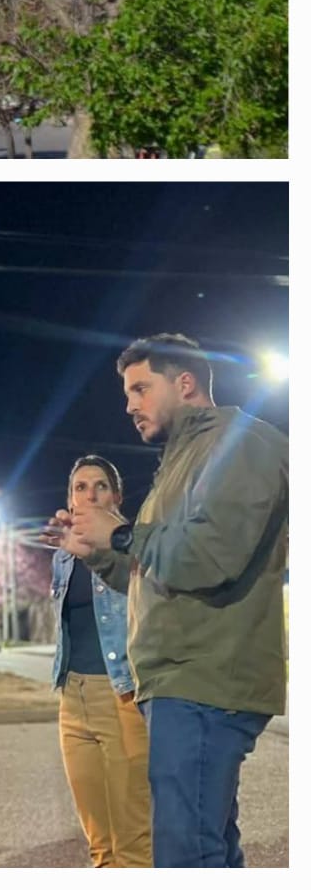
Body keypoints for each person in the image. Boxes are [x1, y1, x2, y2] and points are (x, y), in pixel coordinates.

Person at [47, 334, 288, 868]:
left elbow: (211, 556)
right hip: (181, 683)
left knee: (185, 856)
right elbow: (153, 575)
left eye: (140, 389)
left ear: (184, 383)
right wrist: (96, 551)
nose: (129, 405)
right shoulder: (184, 459)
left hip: (206, 680)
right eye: (126, 393)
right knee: (206, 847)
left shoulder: (240, 444)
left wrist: (122, 534)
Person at [49, 454, 151, 868]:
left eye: (100, 486)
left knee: (134, 838)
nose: (89, 495)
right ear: (70, 499)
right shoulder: (63, 557)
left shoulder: (134, 547)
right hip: (73, 700)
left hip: (122, 695)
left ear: (117, 498)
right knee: (99, 843)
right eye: (80, 487)